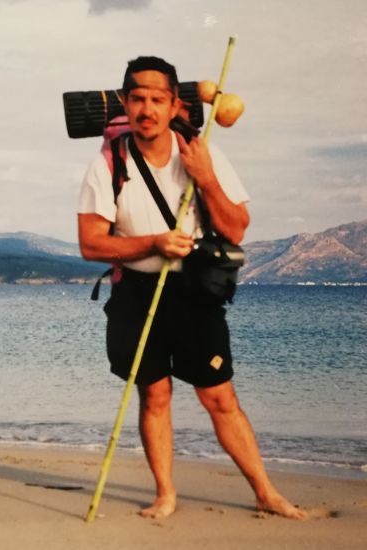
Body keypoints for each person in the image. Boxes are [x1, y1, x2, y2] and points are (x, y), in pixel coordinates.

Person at [77, 56, 307, 520]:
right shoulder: (108, 161)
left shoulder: (202, 151)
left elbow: (237, 227)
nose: (147, 108)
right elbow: (91, 243)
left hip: (195, 292)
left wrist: (205, 178)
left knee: (219, 395)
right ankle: (166, 494)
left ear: (173, 104)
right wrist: (154, 243)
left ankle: (266, 491)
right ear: (125, 102)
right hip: (136, 291)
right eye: (138, 98)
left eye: (157, 99)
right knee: (154, 394)